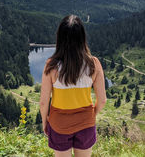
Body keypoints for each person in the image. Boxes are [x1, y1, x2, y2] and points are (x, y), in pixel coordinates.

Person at [40, 15, 107, 157]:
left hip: (59, 124)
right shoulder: (93, 64)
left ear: (60, 38)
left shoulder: (51, 66)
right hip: (86, 124)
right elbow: (102, 100)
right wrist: (92, 114)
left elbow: (44, 102)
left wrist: (44, 122)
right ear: (82, 38)